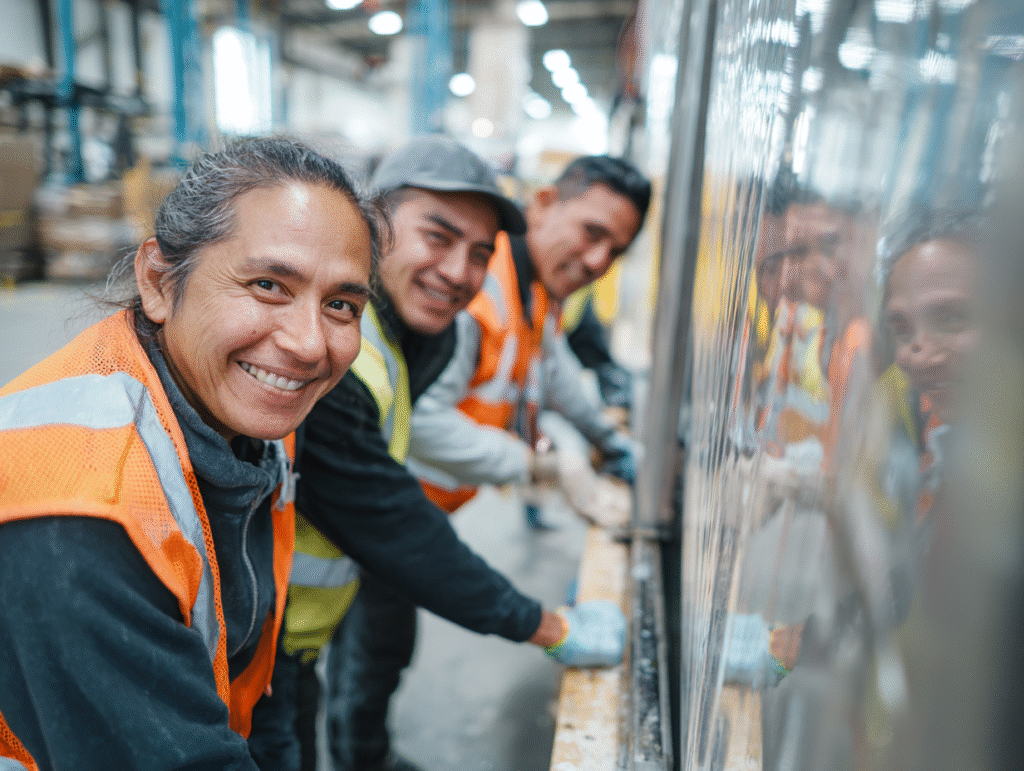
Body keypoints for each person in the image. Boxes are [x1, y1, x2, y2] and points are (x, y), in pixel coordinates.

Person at [0, 137, 380, 770]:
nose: (311, 343)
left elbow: (255, 659)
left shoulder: (242, 410)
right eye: (268, 285)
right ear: (157, 281)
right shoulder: (83, 513)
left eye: (341, 304)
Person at [249, 136, 628, 771]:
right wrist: (548, 627)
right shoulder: (335, 356)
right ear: (372, 225)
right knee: (356, 681)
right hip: (248, 645)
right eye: (437, 236)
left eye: (480, 254)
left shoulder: (411, 335)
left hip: (294, 635)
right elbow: (391, 517)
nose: (458, 272)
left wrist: (602, 441)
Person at [405, 155, 651, 527]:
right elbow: (419, 421)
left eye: (616, 251)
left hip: (429, 512)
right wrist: (536, 465)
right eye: (592, 233)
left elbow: (556, 373)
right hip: (386, 511)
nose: (599, 262)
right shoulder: (476, 291)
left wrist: (608, 440)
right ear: (544, 203)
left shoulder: (535, 291)